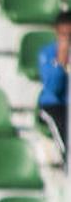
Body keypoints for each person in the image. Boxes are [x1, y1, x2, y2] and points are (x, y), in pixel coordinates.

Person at [37, 10, 71, 162]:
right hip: (55, 105)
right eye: (64, 35)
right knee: (65, 127)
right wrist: (60, 63)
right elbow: (53, 88)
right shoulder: (48, 53)